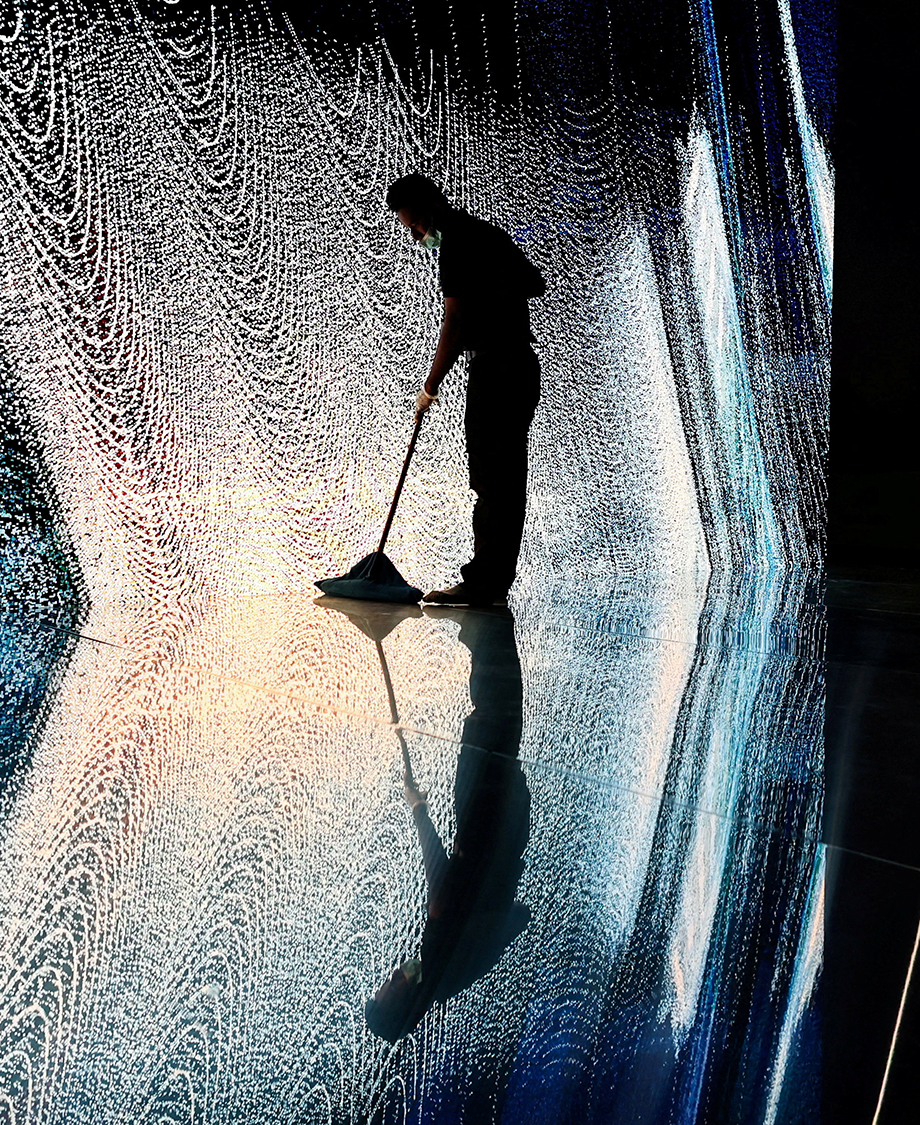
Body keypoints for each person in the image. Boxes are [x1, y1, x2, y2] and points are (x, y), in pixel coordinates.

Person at [363, 606, 532, 1042]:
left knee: (499, 724)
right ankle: (486, 620)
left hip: (509, 829)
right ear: (400, 1002)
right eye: (388, 989)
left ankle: (487, 627)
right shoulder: (438, 963)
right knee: (487, 720)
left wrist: (490, 904)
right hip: (481, 822)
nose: (391, 977)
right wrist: (418, 808)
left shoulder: (453, 979)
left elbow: (519, 916)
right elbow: (440, 880)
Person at [386, 174, 547, 607]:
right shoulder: (487, 234)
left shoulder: (457, 243)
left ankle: (484, 584)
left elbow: (454, 323)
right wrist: (496, 285)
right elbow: (534, 283)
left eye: (416, 224)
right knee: (503, 478)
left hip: (497, 368)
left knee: (493, 478)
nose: (417, 235)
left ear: (433, 205)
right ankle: (491, 583)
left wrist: (430, 387)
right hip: (518, 366)